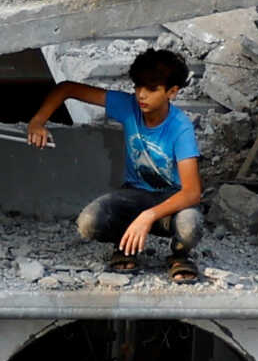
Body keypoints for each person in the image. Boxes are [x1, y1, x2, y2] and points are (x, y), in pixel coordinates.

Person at [24, 47, 205, 280]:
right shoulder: (128, 106)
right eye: (138, 86)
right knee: (89, 223)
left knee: (190, 226)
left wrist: (148, 216)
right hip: (135, 194)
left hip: (173, 200)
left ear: (172, 92)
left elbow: (192, 193)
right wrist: (37, 121)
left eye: (151, 89)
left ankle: (179, 256)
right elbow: (67, 88)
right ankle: (125, 246)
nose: (141, 95)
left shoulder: (180, 127)